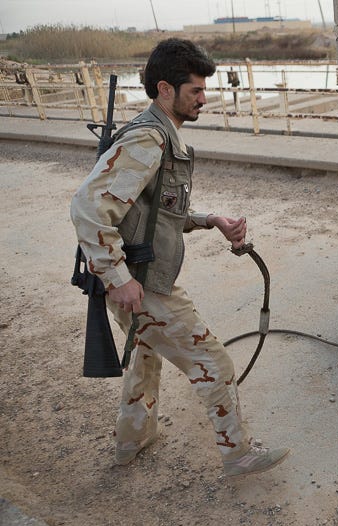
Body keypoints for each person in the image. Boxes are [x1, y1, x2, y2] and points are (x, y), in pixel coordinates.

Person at [70, 38, 289, 477]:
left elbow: (153, 213)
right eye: (196, 91)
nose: (204, 99)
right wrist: (117, 277)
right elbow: (87, 208)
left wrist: (211, 220)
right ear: (166, 89)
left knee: (145, 357)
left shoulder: (160, 135)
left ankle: (132, 441)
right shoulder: (150, 140)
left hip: (138, 277)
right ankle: (238, 453)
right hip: (142, 283)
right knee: (214, 361)